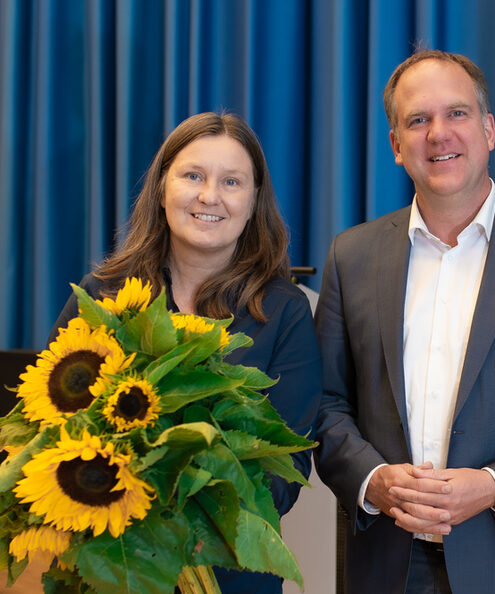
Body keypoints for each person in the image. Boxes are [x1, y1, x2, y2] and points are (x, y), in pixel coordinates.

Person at [314, 50, 495, 593]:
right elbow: (325, 405)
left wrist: (493, 486)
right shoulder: (352, 256)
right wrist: (372, 481)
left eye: (457, 114)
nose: (438, 134)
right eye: (418, 120)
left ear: (489, 129)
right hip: (386, 566)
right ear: (396, 146)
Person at [50, 112, 322, 594]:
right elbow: (52, 429)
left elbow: (287, 467)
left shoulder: (285, 311)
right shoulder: (104, 296)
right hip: (112, 566)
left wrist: (180, 509)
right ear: (161, 187)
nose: (209, 196)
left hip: (230, 571)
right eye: (193, 175)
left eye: (232, 181)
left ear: (254, 200)